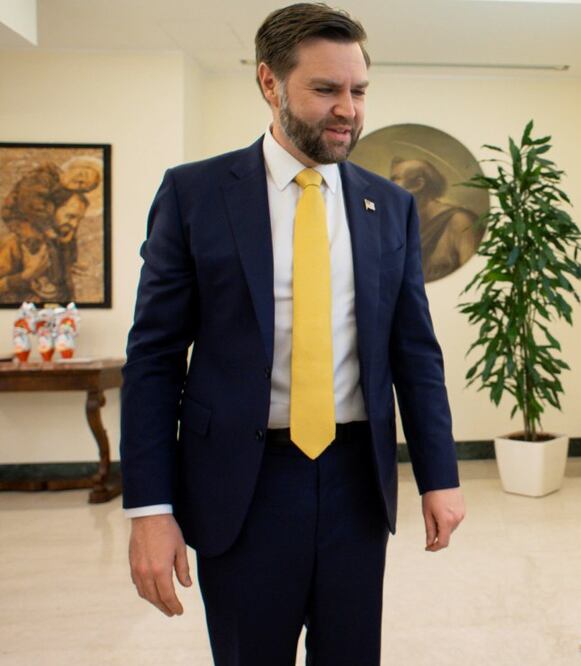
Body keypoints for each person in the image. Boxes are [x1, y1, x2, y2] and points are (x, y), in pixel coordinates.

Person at [120, 4, 465, 665]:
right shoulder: (195, 195)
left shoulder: (387, 206)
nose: (348, 110)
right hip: (241, 485)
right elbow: (155, 360)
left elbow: (414, 352)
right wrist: (150, 508)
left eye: (358, 91)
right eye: (325, 89)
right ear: (270, 84)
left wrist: (439, 476)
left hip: (354, 479)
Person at [389, 157, 480, 281]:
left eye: (395, 179)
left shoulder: (460, 222)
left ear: (418, 184)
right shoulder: (398, 224)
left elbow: (474, 277)